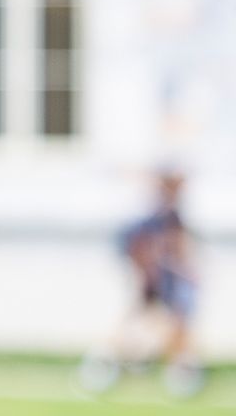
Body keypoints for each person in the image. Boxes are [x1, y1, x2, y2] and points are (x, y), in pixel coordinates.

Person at [81, 168, 206, 399]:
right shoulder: (147, 222)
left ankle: (181, 372)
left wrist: (184, 274)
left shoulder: (176, 221)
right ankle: (103, 366)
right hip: (150, 282)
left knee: (177, 327)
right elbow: (136, 251)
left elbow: (184, 255)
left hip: (171, 284)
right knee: (133, 325)